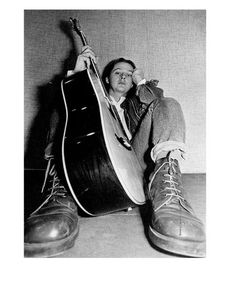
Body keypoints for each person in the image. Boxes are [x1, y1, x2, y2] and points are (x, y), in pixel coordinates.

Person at [24, 45, 205, 258]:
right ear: (107, 79)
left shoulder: (137, 103)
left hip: (135, 165)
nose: (123, 77)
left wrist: (141, 81)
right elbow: (65, 98)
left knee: (168, 103)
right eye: (118, 72)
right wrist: (78, 73)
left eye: (129, 74)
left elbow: (154, 100)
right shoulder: (93, 101)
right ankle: (60, 190)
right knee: (64, 107)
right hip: (89, 168)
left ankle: (168, 195)